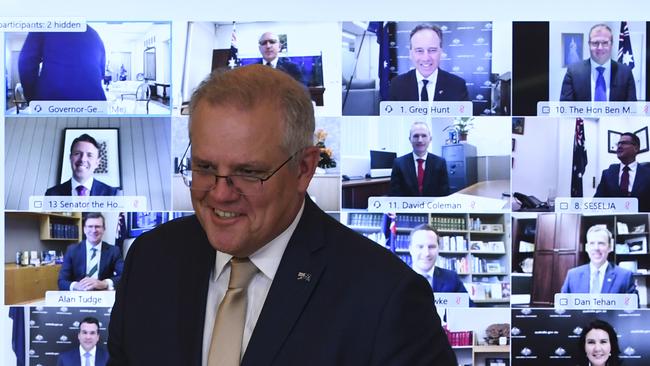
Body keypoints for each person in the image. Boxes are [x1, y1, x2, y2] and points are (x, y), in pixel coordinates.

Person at [108, 65, 456, 365]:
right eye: (204, 167)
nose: (220, 192)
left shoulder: (388, 297)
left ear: (304, 169)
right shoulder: (150, 258)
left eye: (248, 171)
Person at [18, 25, 107, 102]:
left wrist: (32, 97)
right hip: (95, 103)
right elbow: (102, 73)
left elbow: (26, 62)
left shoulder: (45, 27)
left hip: (54, 101)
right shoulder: (95, 35)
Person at [388, 24, 469, 102]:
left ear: (440, 52)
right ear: (411, 54)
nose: (426, 58)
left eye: (432, 50)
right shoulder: (397, 85)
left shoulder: (457, 85)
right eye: (419, 51)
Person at [560, 24, 636, 102]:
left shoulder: (626, 73)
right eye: (595, 43)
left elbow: (632, 109)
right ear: (589, 44)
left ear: (612, 44)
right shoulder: (573, 72)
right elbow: (566, 109)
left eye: (605, 43)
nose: (600, 47)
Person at [58, 213, 124, 291]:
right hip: (79, 297)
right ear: (84, 229)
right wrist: (77, 286)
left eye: (97, 226)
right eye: (90, 226)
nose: (94, 230)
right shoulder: (72, 250)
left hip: (104, 297)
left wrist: (104, 283)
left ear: (104, 229)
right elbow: (62, 281)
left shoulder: (114, 251)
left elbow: (124, 275)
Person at [561, 225, 636, 294]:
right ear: (587, 248)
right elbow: (562, 306)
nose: (596, 248)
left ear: (610, 247)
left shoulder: (625, 276)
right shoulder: (572, 275)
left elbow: (632, 307)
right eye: (592, 243)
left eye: (601, 243)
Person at [45, 134, 118, 196]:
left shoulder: (112, 194)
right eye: (77, 153)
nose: (83, 159)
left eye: (89, 155)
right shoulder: (51, 194)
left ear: (97, 163)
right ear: (70, 158)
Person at [389, 121, 450, 197]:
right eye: (416, 136)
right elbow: (394, 194)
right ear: (410, 139)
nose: (420, 140)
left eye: (424, 136)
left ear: (430, 139)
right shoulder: (398, 163)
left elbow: (444, 193)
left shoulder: (440, 162)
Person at [594, 132, 650, 212]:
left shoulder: (647, 174)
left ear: (636, 148)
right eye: (618, 143)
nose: (619, 146)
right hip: (612, 220)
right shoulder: (607, 174)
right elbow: (597, 202)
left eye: (624, 143)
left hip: (642, 221)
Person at [409, 224, 469, 295]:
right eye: (420, 247)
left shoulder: (452, 278)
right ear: (410, 249)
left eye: (431, 247)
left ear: (438, 249)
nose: (426, 253)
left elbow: (467, 305)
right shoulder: (397, 279)